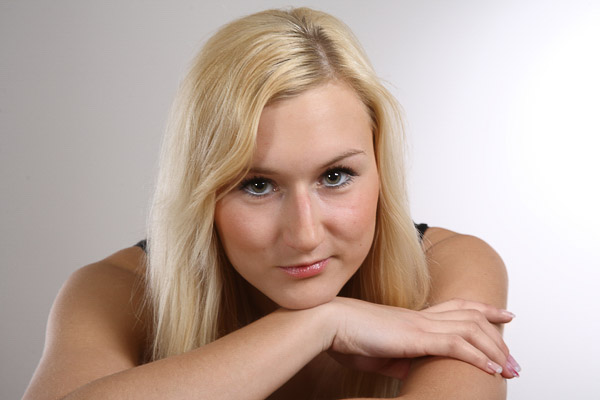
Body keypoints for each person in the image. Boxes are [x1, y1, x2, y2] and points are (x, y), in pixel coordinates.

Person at [23, 7, 519, 400]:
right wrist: (322, 322)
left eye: (335, 176)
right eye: (257, 185)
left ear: (379, 170)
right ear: (201, 193)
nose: (304, 235)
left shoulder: (449, 266)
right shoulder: (113, 291)